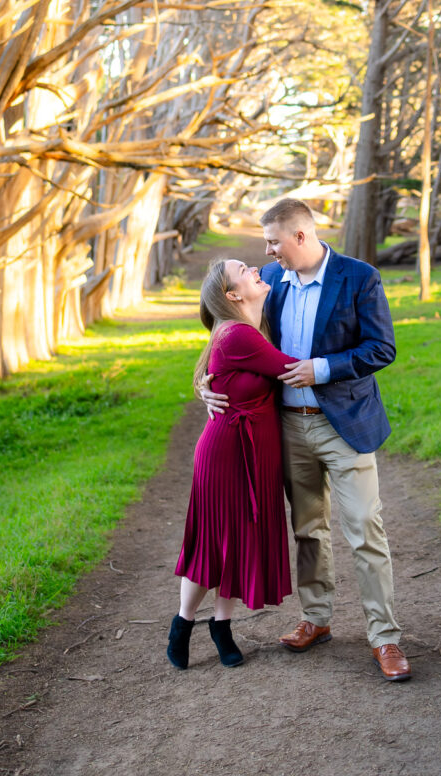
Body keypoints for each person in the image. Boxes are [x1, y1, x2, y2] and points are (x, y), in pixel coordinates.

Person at [202, 199, 411, 682]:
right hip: (286, 428)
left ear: (300, 236)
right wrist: (204, 385)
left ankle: (385, 638)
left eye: (273, 241)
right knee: (307, 529)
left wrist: (322, 368)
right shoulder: (269, 283)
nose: (267, 251)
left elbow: (382, 348)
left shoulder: (360, 277)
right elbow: (222, 334)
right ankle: (316, 619)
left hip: (345, 425)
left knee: (364, 528)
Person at [167, 258, 297, 670]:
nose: (258, 268)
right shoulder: (239, 334)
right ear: (232, 294)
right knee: (213, 543)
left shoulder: (247, 327)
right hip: (227, 452)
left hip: (255, 451)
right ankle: (182, 624)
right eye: (245, 269)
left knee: (238, 540)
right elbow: (290, 369)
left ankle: (222, 626)